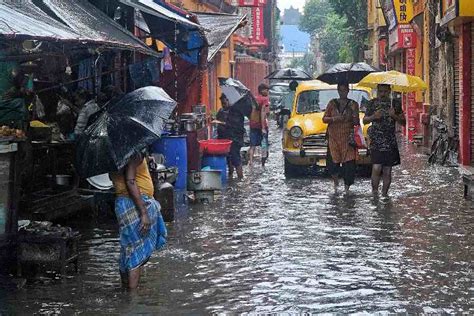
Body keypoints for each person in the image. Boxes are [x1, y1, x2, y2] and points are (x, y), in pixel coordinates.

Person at [110, 152, 167, 289]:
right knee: (138, 251)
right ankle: (133, 298)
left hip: (122, 204)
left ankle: (126, 290)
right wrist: (144, 213)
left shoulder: (112, 156)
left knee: (128, 248)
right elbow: (130, 181)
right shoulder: (132, 153)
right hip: (136, 204)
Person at [363, 84, 406, 199]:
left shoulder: (395, 104)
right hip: (376, 141)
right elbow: (364, 120)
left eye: (385, 91)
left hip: (390, 141)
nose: (382, 94)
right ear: (377, 91)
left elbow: (404, 122)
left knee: (387, 170)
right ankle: (375, 193)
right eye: (380, 91)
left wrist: (394, 116)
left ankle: (385, 194)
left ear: (389, 91)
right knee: (376, 167)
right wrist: (373, 117)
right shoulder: (372, 103)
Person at [322, 83, 360, 194]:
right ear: (338, 91)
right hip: (333, 137)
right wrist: (335, 118)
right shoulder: (332, 103)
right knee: (333, 163)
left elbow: (356, 123)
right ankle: (335, 183)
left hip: (348, 138)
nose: (343, 93)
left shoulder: (354, 104)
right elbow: (324, 119)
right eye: (340, 90)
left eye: (345, 90)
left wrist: (353, 112)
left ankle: (347, 188)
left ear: (348, 91)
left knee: (349, 165)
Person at [248, 83, 270, 166]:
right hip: (261, 125)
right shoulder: (264, 99)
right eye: (267, 90)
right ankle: (263, 163)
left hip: (252, 124)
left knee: (252, 145)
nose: (268, 92)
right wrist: (263, 127)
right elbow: (263, 113)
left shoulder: (254, 98)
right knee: (264, 144)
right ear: (262, 90)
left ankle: (250, 161)